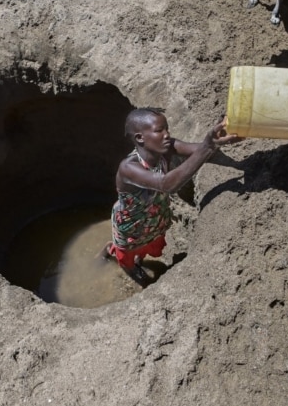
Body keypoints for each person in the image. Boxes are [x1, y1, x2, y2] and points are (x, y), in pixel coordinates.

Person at [102, 107, 242, 286]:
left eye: (167, 129)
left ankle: (130, 258)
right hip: (131, 225)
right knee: (128, 258)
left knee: (144, 250)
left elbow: (200, 151)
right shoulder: (129, 168)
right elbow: (167, 184)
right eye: (159, 131)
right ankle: (116, 257)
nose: (167, 134)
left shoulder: (167, 149)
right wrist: (209, 146)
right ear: (140, 138)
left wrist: (220, 139)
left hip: (155, 219)